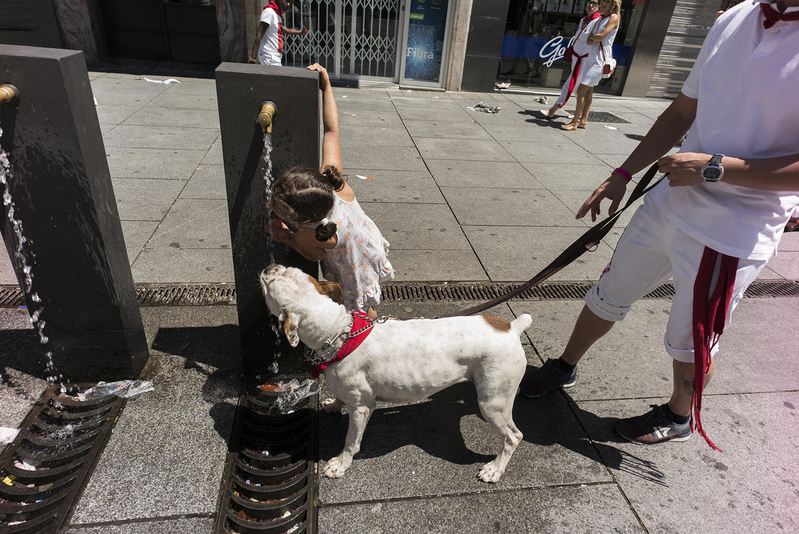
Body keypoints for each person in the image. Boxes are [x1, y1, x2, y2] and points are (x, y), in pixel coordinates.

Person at [520, 0, 799, 449]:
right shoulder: (735, 17)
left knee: (693, 337)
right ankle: (565, 366)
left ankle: (678, 414)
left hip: (733, 228)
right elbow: (682, 111)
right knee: (610, 290)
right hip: (669, 199)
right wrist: (622, 174)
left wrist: (715, 167)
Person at [267, 64, 394, 319]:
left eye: (278, 206)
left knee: (359, 310)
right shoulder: (334, 182)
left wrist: (287, 237)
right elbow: (331, 131)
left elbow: (311, 254)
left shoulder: (313, 235)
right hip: (368, 245)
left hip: (352, 270)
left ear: (301, 221)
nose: (271, 203)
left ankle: (373, 329)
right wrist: (326, 85)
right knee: (366, 303)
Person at [550, 0, 620, 130]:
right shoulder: (600, 20)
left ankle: (574, 123)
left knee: (580, 91)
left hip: (600, 61)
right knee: (588, 92)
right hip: (591, 58)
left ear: (613, 4)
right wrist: (595, 37)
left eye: (608, 1)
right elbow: (589, 40)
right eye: (603, 1)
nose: (604, 4)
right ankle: (583, 121)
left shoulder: (614, 17)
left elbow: (600, 37)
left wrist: (595, 37)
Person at [540, 0, 601, 119]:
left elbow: (599, 39)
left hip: (584, 60)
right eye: (589, 3)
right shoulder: (583, 20)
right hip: (576, 57)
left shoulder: (598, 21)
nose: (591, 6)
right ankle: (580, 116)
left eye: (594, 3)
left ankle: (553, 109)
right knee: (579, 88)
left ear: (598, 6)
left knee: (570, 84)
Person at [249, 0, 308, 66]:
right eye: (287, 1)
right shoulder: (269, 12)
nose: (288, 5)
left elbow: (284, 30)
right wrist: (253, 59)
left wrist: (301, 33)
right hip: (269, 56)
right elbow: (258, 36)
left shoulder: (277, 14)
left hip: (275, 56)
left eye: (290, 4)